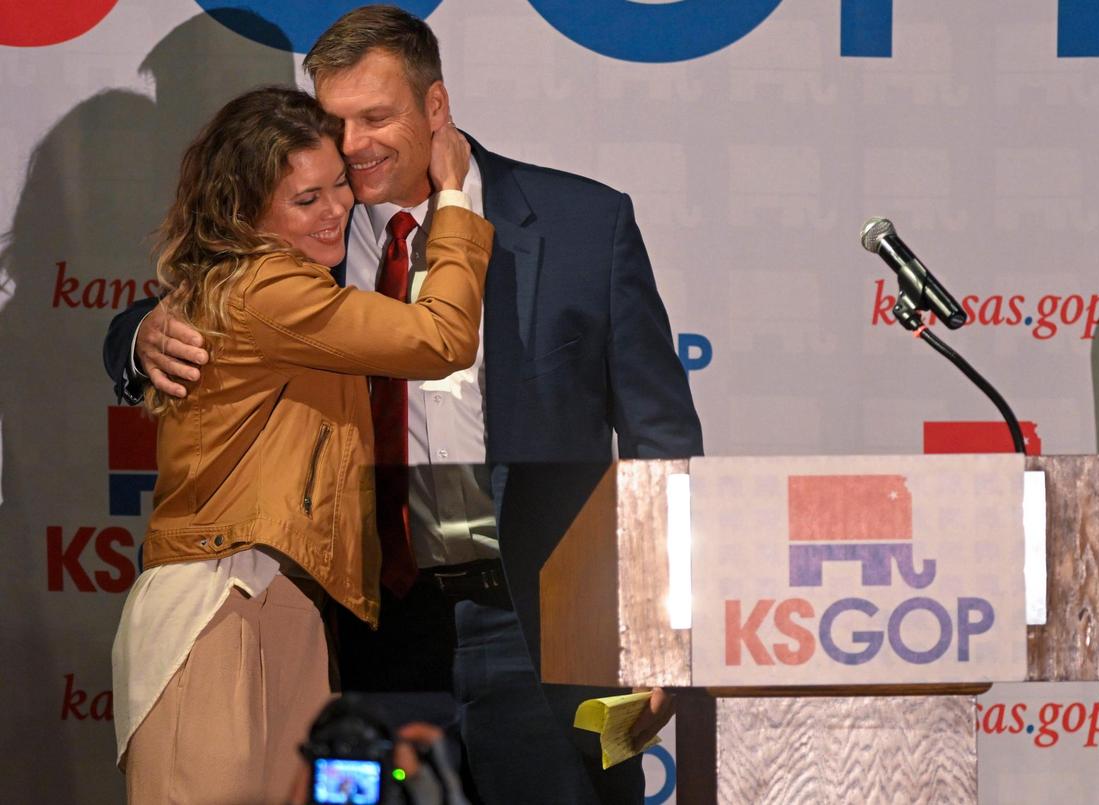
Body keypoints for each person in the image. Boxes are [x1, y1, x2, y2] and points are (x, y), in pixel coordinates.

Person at [103, 6, 702, 803]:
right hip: (367, 635)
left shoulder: (585, 224)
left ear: (436, 108)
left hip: (548, 635)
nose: (352, 147)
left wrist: (666, 626)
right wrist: (139, 331)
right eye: (335, 121)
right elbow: (200, 299)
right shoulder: (307, 228)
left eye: (375, 116)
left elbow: (662, 442)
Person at [108, 85, 492, 804]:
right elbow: (442, 337)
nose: (339, 208)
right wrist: (455, 199)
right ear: (246, 213)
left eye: (339, 184)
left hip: (291, 596)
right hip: (218, 600)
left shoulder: (281, 280)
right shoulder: (268, 287)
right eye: (306, 199)